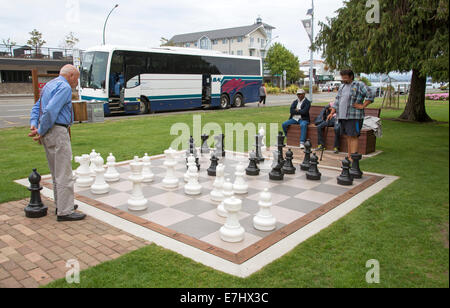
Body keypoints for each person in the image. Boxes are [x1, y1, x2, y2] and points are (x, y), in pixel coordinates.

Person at [29, 64, 86, 222]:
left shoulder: (49, 85)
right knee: (64, 172)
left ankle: (61, 204)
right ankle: (65, 211)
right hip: (57, 131)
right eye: (77, 79)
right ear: (71, 76)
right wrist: (40, 129)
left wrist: (34, 123)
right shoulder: (64, 87)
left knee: (56, 172)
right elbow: (51, 110)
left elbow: (37, 106)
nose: (76, 83)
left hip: (48, 132)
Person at [327, 69, 374, 160]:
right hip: (343, 116)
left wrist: (363, 105)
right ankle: (349, 156)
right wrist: (332, 112)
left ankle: (354, 158)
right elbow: (337, 100)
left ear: (351, 76)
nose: (343, 79)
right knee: (348, 136)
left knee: (353, 136)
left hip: (354, 116)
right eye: (342, 77)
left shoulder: (359, 85)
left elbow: (370, 94)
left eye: (345, 77)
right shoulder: (342, 86)